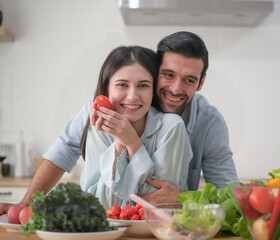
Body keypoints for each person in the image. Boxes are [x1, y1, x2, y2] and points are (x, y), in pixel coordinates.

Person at [0, 31, 237, 214]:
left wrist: (185, 198)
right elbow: (64, 149)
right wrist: (24, 204)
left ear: (201, 82)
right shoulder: (109, 106)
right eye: (168, 75)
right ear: (156, 73)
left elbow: (228, 195)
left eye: (189, 80)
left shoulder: (208, 122)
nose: (175, 89)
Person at [80, 46, 192, 209]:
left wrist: (133, 144)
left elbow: (159, 205)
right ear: (106, 90)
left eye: (143, 85)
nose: (132, 97)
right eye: (122, 85)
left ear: (153, 90)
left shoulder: (171, 127)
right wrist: (119, 143)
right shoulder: (99, 129)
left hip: (160, 232)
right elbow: (100, 208)